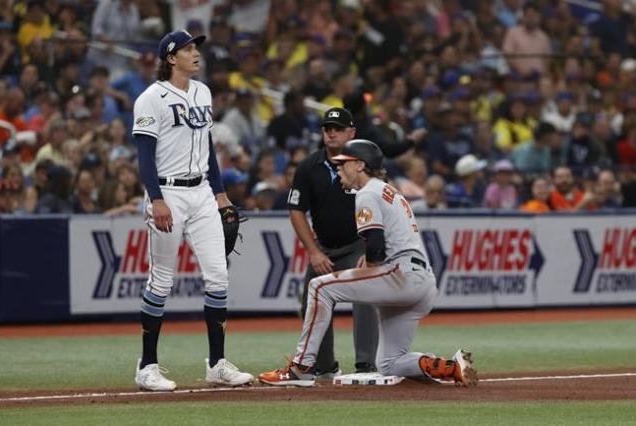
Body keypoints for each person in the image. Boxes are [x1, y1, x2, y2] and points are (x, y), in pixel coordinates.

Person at [259, 139, 477, 387]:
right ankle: (451, 367)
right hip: (421, 282)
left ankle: (300, 368)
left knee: (320, 287)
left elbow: (375, 244)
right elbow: (380, 242)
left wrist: (370, 263)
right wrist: (372, 261)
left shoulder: (367, 193)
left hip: (401, 275)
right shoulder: (387, 189)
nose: (339, 168)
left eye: (344, 164)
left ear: (360, 165)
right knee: (389, 363)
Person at [132, 29, 253, 391]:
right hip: (167, 190)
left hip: (201, 191)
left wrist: (220, 192)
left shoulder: (203, 92)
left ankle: (216, 364)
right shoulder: (151, 98)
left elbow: (208, 146)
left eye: (195, 47)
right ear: (171, 58)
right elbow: (144, 155)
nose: (195, 52)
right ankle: (147, 366)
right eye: (187, 48)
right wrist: (156, 199)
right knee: (161, 280)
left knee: (218, 276)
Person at [287, 107, 379, 378]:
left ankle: (365, 365)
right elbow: (296, 210)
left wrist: (370, 247)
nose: (331, 133)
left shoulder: (363, 164)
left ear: (351, 132)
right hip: (324, 248)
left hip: (355, 245)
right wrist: (314, 251)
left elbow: (379, 201)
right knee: (312, 302)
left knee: (365, 294)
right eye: (327, 128)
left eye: (338, 129)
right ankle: (325, 366)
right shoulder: (308, 166)